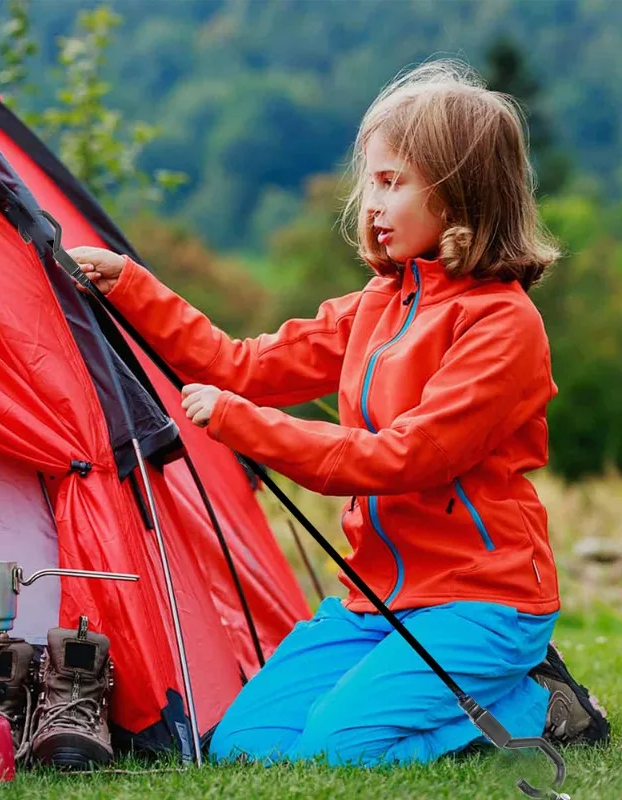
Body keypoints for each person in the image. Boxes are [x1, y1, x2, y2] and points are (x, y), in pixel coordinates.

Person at [67, 60, 609, 766]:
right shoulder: (375, 308)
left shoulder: (503, 327)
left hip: (483, 601)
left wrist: (242, 425)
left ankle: (543, 701)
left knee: (339, 748)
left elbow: (408, 458)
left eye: (392, 183)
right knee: (244, 747)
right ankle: (427, 690)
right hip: (376, 600)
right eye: (370, 183)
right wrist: (131, 287)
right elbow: (246, 364)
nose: (371, 205)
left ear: (458, 192)